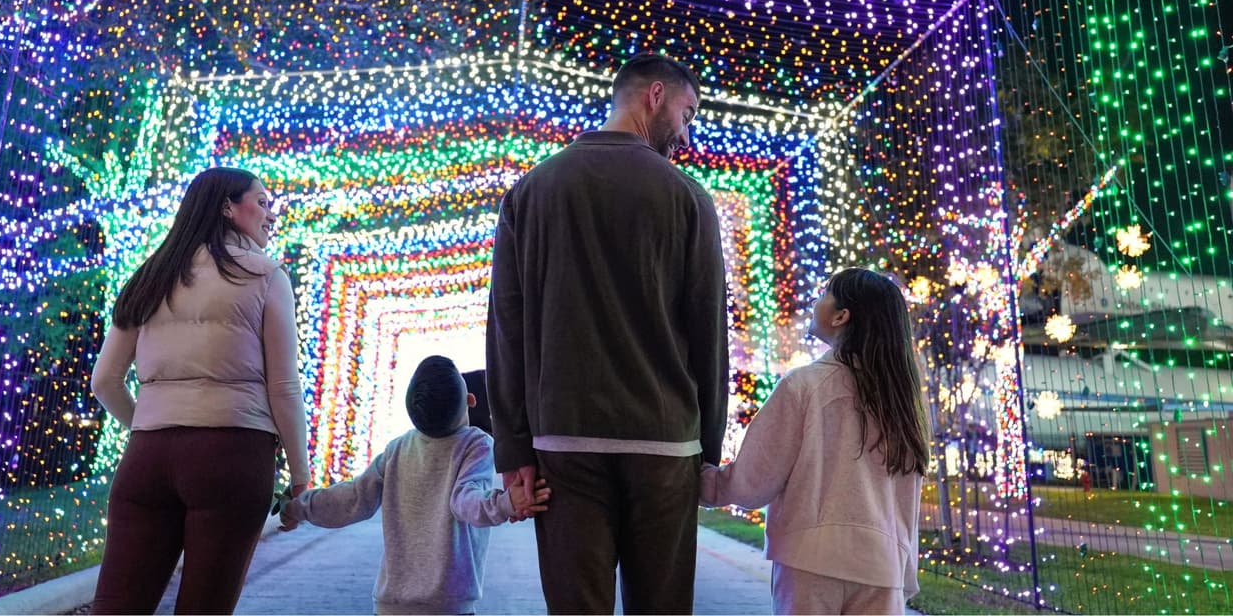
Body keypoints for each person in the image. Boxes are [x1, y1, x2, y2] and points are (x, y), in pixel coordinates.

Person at [486, 52, 730, 613]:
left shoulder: (531, 192)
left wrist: (513, 447)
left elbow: (506, 329)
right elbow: (707, 331)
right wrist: (708, 448)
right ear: (655, 95)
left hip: (563, 442)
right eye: (687, 114)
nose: (685, 134)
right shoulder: (687, 197)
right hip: (665, 444)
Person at [89, 166, 310, 614]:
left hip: (147, 458)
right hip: (233, 454)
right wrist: (300, 476)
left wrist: (152, 427)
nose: (271, 215)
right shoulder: (267, 276)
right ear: (228, 207)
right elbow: (284, 387)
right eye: (262, 202)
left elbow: (104, 381)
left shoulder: (151, 276)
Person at [700, 268, 929, 615]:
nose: (815, 300)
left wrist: (702, 483)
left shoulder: (804, 386)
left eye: (824, 293)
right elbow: (906, 498)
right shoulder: (902, 402)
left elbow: (753, 481)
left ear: (841, 316)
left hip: (811, 561)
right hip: (883, 569)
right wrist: (904, 573)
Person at [277, 355, 551, 615]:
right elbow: (466, 502)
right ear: (470, 400)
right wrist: (506, 503)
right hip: (446, 604)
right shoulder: (475, 445)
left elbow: (351, 499)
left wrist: (297, 507)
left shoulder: (397, 450)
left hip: (390, 605)